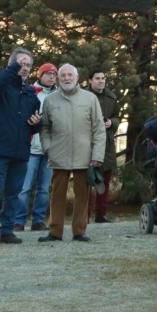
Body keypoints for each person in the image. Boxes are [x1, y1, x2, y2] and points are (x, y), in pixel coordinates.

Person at [0, 48, 42, 248]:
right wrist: (12, 69)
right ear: (12, 65)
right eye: (21, 64)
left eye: (28, 65)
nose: (25, 68)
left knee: (14, 193)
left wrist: (37, 123)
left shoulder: (31, 94)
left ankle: (7, 231)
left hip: (20, 150)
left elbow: (35, 122)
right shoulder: (1, 87)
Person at [38, 63, 105, 242]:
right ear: (59, 78)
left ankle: (79, 231)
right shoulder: (50, 100)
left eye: (70, 75)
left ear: (77, 78)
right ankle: (55, 231)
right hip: (58, 155)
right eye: (63, 75)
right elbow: (44, 128)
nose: (67, 78)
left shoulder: (90, 99)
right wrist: (47, 147)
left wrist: (97, 155)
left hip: (85, 156)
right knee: (56, 195)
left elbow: (99, 129)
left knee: (83, 196)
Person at [14, 62, 57, 232]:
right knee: (24, 188)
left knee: (44, 189)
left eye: (54, 74)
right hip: (31, 147)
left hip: (50, 148)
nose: (51, 77)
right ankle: (18, 220)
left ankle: (38, 220)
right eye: (48, 74)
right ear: (40, 75)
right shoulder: (31, 91)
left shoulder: (58, 94)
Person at [87, 68, 119, 223]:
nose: (101, 81)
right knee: (86, 181)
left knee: (104, 181)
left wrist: (111, 123)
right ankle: (84, 216)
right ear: (90, 81)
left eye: (103, 78)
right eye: (97, 78)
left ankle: (101, 215)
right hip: (87, 142)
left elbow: (116, 117)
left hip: (106, 143)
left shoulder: (111, 98)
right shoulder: (83, 97)